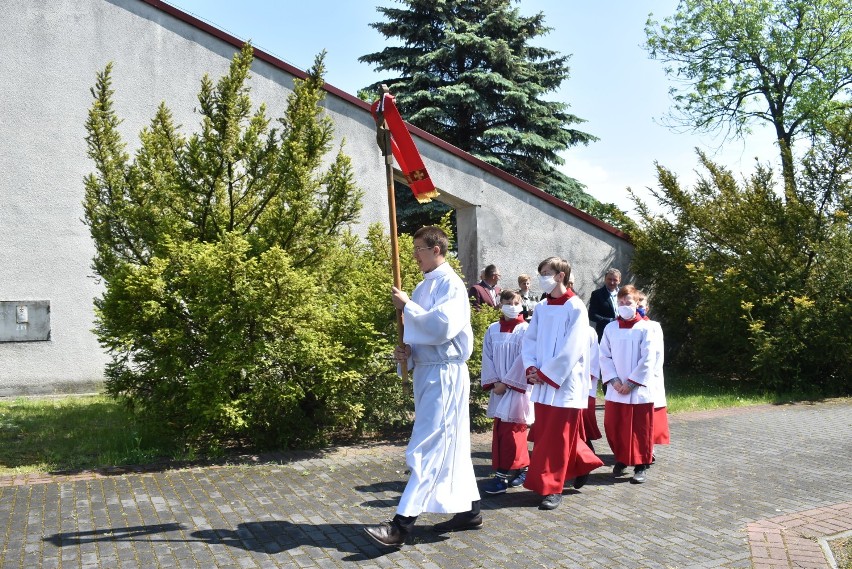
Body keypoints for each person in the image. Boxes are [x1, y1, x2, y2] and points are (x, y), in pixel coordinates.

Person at [364, 226, 481, 547]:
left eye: (418, 249)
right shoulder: (422, 286)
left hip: (446, 374)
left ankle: (401, 525)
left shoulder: (451, 285)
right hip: (428, 372)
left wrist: (407, 307)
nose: (413, 255)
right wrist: (408, 352)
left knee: (429, 445)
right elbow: (422, 334)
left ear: (437, 250)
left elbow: (443, 326)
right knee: (450, 444)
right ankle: (470, 511)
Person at [521, 257, 603, 510]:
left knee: (556, 438)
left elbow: (574, 347)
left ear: (560, 275)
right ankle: (583, 462)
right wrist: (531, 367)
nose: (542, 278)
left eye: (546, 273)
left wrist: (547, 374)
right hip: (542, 381)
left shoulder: (576, 307)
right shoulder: (543, 307)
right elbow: (530, 340)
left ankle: (552, 488)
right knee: (548, 435)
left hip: (564, 383)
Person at [599, 284, 659, 484]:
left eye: (629, 302)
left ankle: (641, 465)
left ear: (636, 303)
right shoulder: (610, 328)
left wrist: (632, 383)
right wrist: (615, 381)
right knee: (616, 426)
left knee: (640, 428)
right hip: (616, 389)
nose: (625, 306)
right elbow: (604, 356)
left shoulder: (645, 328)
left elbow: (648, 358)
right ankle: (622, 459)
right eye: (621, 303)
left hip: (638, 389)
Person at [480, 289, 533, 495]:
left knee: (513, 433)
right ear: (500, 304)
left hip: (516, 388)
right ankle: (523, 468)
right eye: (508, 302)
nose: (512, 306)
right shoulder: (492, 329)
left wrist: (507, 383)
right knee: (501, 432)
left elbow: (525, 359)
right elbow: (488, 356)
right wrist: (495, 383)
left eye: (516, 302)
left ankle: (502, 477)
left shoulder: (526, 330)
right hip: (499, 388)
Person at [636, 292, 670, 462]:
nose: (639, 307)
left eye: (642, 304)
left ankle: (650, 449)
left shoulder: (654, 326)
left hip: (650, 376)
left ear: (647, 307)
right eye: (637, 303)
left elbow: (657, 353)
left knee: (651, 416)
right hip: (631, 379)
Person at [583, 324, 603, 453]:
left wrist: (587, 378)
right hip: (560, 385)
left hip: (584, 385)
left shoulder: (589, 332)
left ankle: (587, 451)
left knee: (583, 422)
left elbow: (595, 358)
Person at [588, 268, 621, 341]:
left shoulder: (624, 294)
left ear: (619, 280)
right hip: (605, 334)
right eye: (609, 279)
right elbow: (592, 315)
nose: (612, 282)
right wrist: (611, 320)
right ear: (605, 279)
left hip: (622, 332)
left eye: (615, 280)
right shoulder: (597, 294)